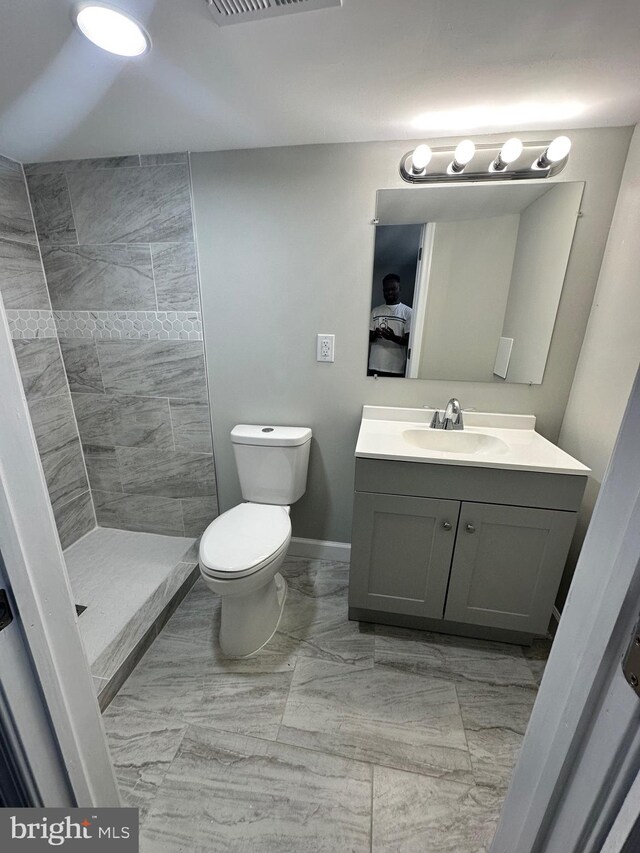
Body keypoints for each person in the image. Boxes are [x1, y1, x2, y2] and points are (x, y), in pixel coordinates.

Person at [368, 273, 412, 376]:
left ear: (399, 288)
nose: (390, 292)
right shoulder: (375, 311)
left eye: (393, 289)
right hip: (375, 366)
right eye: (386, 290)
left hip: (396, 368)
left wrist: (393, 337)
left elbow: (410, 342)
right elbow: (367, 338)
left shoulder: (408, 312)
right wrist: (375, 334)